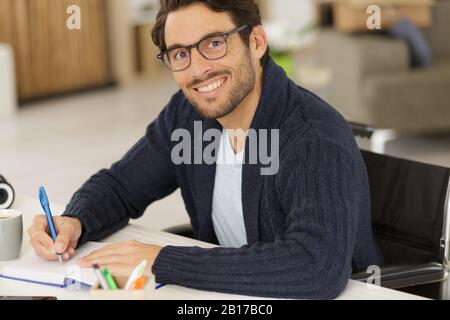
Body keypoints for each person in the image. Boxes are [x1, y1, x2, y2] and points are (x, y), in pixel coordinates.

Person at [28, 0, 382, 299]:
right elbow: (121, 187)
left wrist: (163, 260)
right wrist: (76, 219)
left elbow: (314, 266)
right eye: (180, 54)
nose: (198, 70)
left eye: (214, 43)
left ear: (256, 42)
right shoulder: (189, 116)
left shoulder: (311, 137)